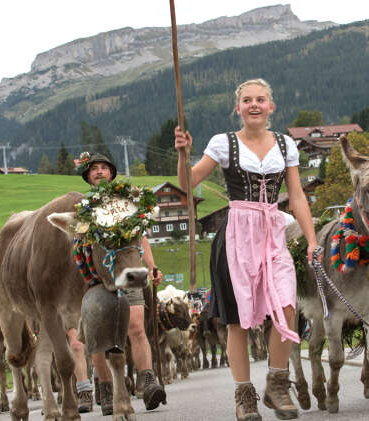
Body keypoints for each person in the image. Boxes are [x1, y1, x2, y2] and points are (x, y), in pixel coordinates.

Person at [175, 78, 317, 421]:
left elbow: (296, 196)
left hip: (272, 231)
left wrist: (312, 240)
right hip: (237, 234)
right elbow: (186, 183)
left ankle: (277, 384)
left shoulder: (285, 145)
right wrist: (183, 155)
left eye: (261, 100)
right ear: (237, 108)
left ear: (271, 107)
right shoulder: (223, 143)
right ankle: (244, 395)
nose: (254, 105)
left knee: (285, 307)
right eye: (248, 100)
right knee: (237, 322)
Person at [70, 153, 166, 415]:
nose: (99, 172)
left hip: (129, 275)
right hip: (97, 280)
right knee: (99, 337)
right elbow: (78, 247)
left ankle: (147, 381)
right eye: (94, 169)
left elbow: (139, 239)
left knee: (136, 327)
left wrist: (152, 266)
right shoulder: (84, 209)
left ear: (112, 173)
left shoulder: (126, 204)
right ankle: (106, 387)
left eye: (104, 168)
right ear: (88, 176)